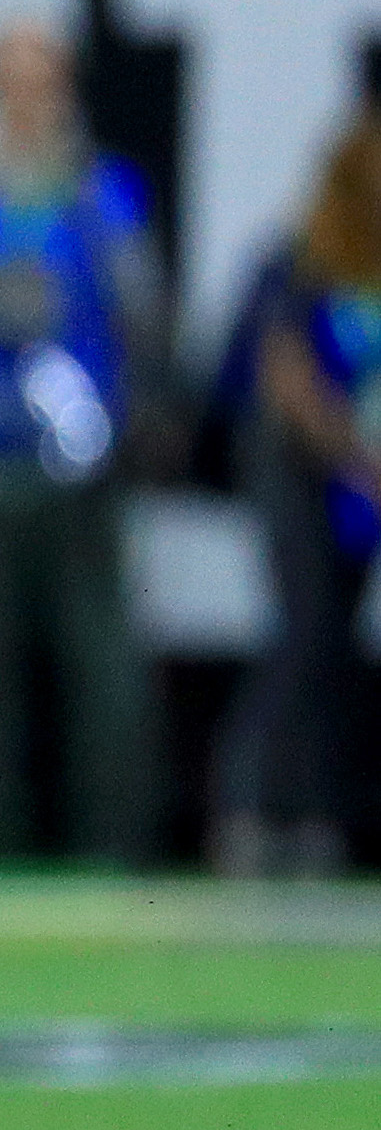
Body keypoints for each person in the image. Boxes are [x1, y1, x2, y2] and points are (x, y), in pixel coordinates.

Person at [0, 20, 162, 862]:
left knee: (102, 662)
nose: (25, 94)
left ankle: (112, 843)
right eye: (8, 76)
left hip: (76, 457)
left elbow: (141, 314)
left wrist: (140, 412)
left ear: (64, 86)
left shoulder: (101, 192)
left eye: (40, 76)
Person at [227, 117, 381, 879]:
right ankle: (251, 803)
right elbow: (283, 371)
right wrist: (351, 453)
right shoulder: (304, 255)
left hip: (364, 468)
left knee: (341, 638)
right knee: (304, 628)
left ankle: (324, 806)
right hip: (301, 467)